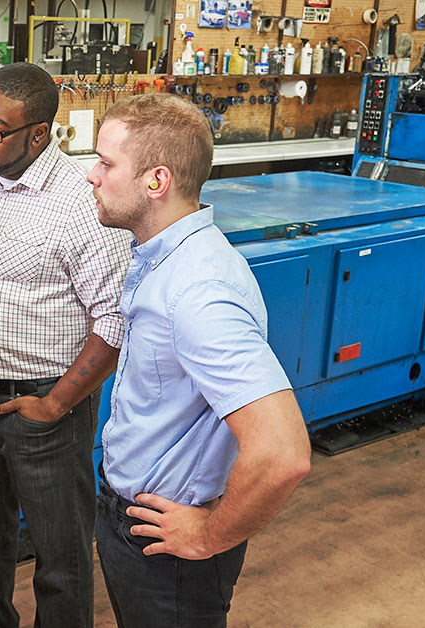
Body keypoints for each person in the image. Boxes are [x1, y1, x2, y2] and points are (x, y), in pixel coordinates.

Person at [87, 93, 312, 627]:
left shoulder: (197, 290)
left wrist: (208, 535)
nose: (91, 176)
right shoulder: (166, 260)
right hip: (134, 517)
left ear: (156, 181)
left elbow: (284, 455)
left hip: (171, 552)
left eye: (106, 162)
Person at [0, 62, 132, 627]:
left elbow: (114, 320)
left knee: (61, 554)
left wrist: (54, 404)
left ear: (39, 134)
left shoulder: (79, 203)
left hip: (46, 406)